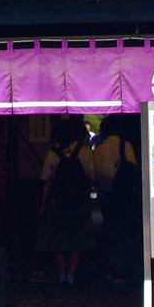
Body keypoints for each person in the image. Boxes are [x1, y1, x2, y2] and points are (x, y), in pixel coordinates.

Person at [35, 118, 95, 286]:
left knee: (59, 241)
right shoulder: (85, 152)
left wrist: (42, 206)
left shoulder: (52, 154)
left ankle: (62, 276)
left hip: (58, 203)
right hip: (80, 203)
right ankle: (71, 276)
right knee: (77, 241)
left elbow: (47, 181)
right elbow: (92, 177)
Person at [92, 114, 142, 284]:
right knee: (125, 232)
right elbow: (133, 168)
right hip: (124, 195)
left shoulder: (98, 150)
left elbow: (94, 176)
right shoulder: (124, 145)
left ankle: (108, 267)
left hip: (105, 195)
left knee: (109, 231)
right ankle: (123, 269)